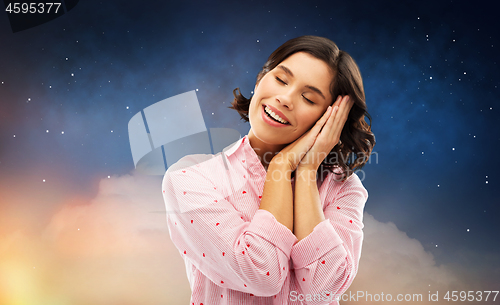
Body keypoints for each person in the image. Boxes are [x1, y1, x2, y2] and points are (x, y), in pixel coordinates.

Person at [162, 35, 375, 304]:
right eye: (281, 80)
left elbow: (324, 290)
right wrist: (281, 166)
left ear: (330, 119)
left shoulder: (343, 187)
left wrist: (306, 170)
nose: (285, 98)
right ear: (260, 78)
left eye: (308, 98)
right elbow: (262, 274)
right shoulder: (190, 178)